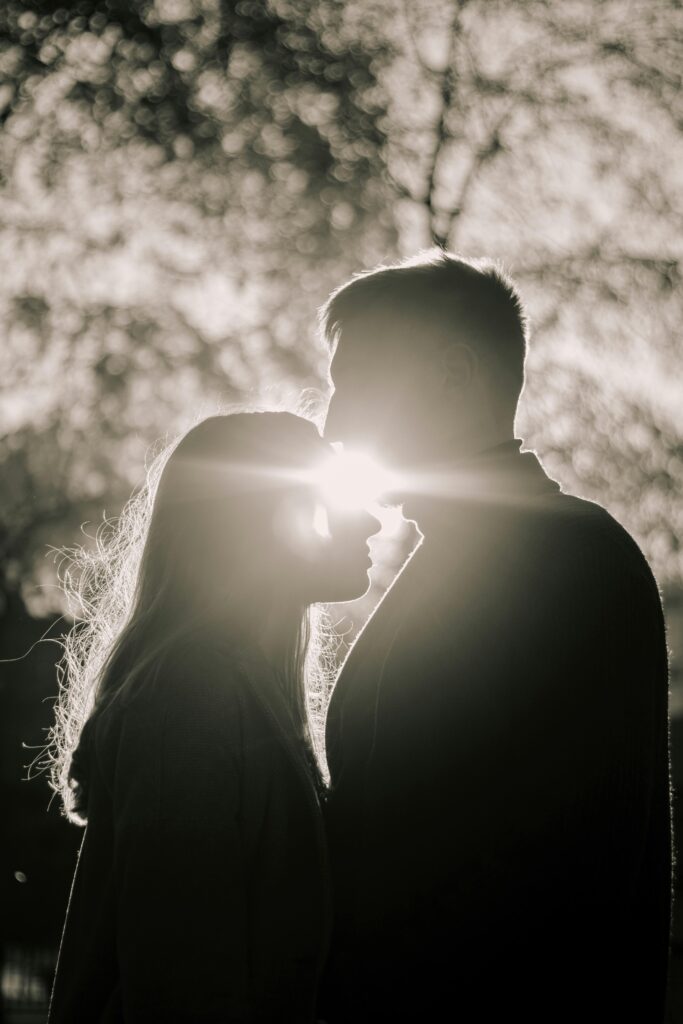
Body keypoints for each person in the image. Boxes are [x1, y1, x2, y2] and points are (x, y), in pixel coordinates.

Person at [319, 251, 672, 1022]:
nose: (334, 426)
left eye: (358, 386)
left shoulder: (569, 562)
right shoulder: (461, 556)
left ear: (453, 375)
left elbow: (560, 881)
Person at [47, 411, 379, 1024]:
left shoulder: (233, 690)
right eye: (333, 497)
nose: (370, 519)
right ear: (258, 525)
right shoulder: (188, 702)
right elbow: (182, 993)